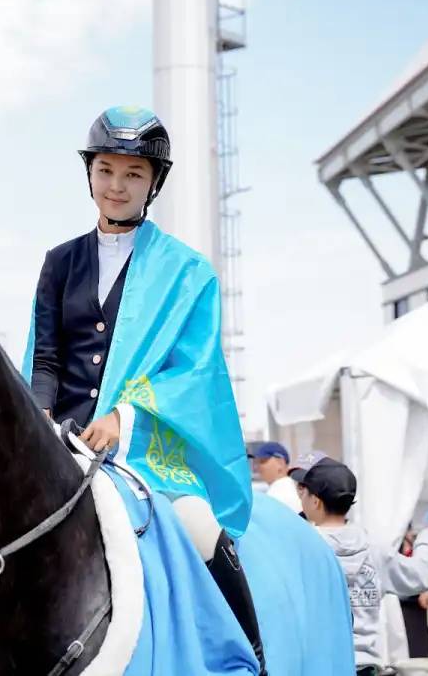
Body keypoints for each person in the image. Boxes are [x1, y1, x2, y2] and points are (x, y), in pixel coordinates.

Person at [22, 106, 265, 664]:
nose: (117, 186)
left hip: (145, 451)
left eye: (133, 174)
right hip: (61, 443)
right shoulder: (58, 262)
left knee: (199, 527)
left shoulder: (189, 272)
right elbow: (47, 357)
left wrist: (124, 417)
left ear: (154, 183)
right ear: (89, 174)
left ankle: (250, 653)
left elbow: (194, 371)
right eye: (106, 170)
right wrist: (39, 421)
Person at [299, 455, 428, 674]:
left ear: (315, 501)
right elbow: (420, 576)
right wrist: (426, 539)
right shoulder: (374, 546)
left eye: (304, 492)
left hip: (321, 664)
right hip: (366, 663)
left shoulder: (304, 546)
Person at [253, 441, 302, 513]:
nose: (257, 467)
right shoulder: (295, 489)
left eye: (262, 461)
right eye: (256, 462)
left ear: (280, 463)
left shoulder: (279, 494)